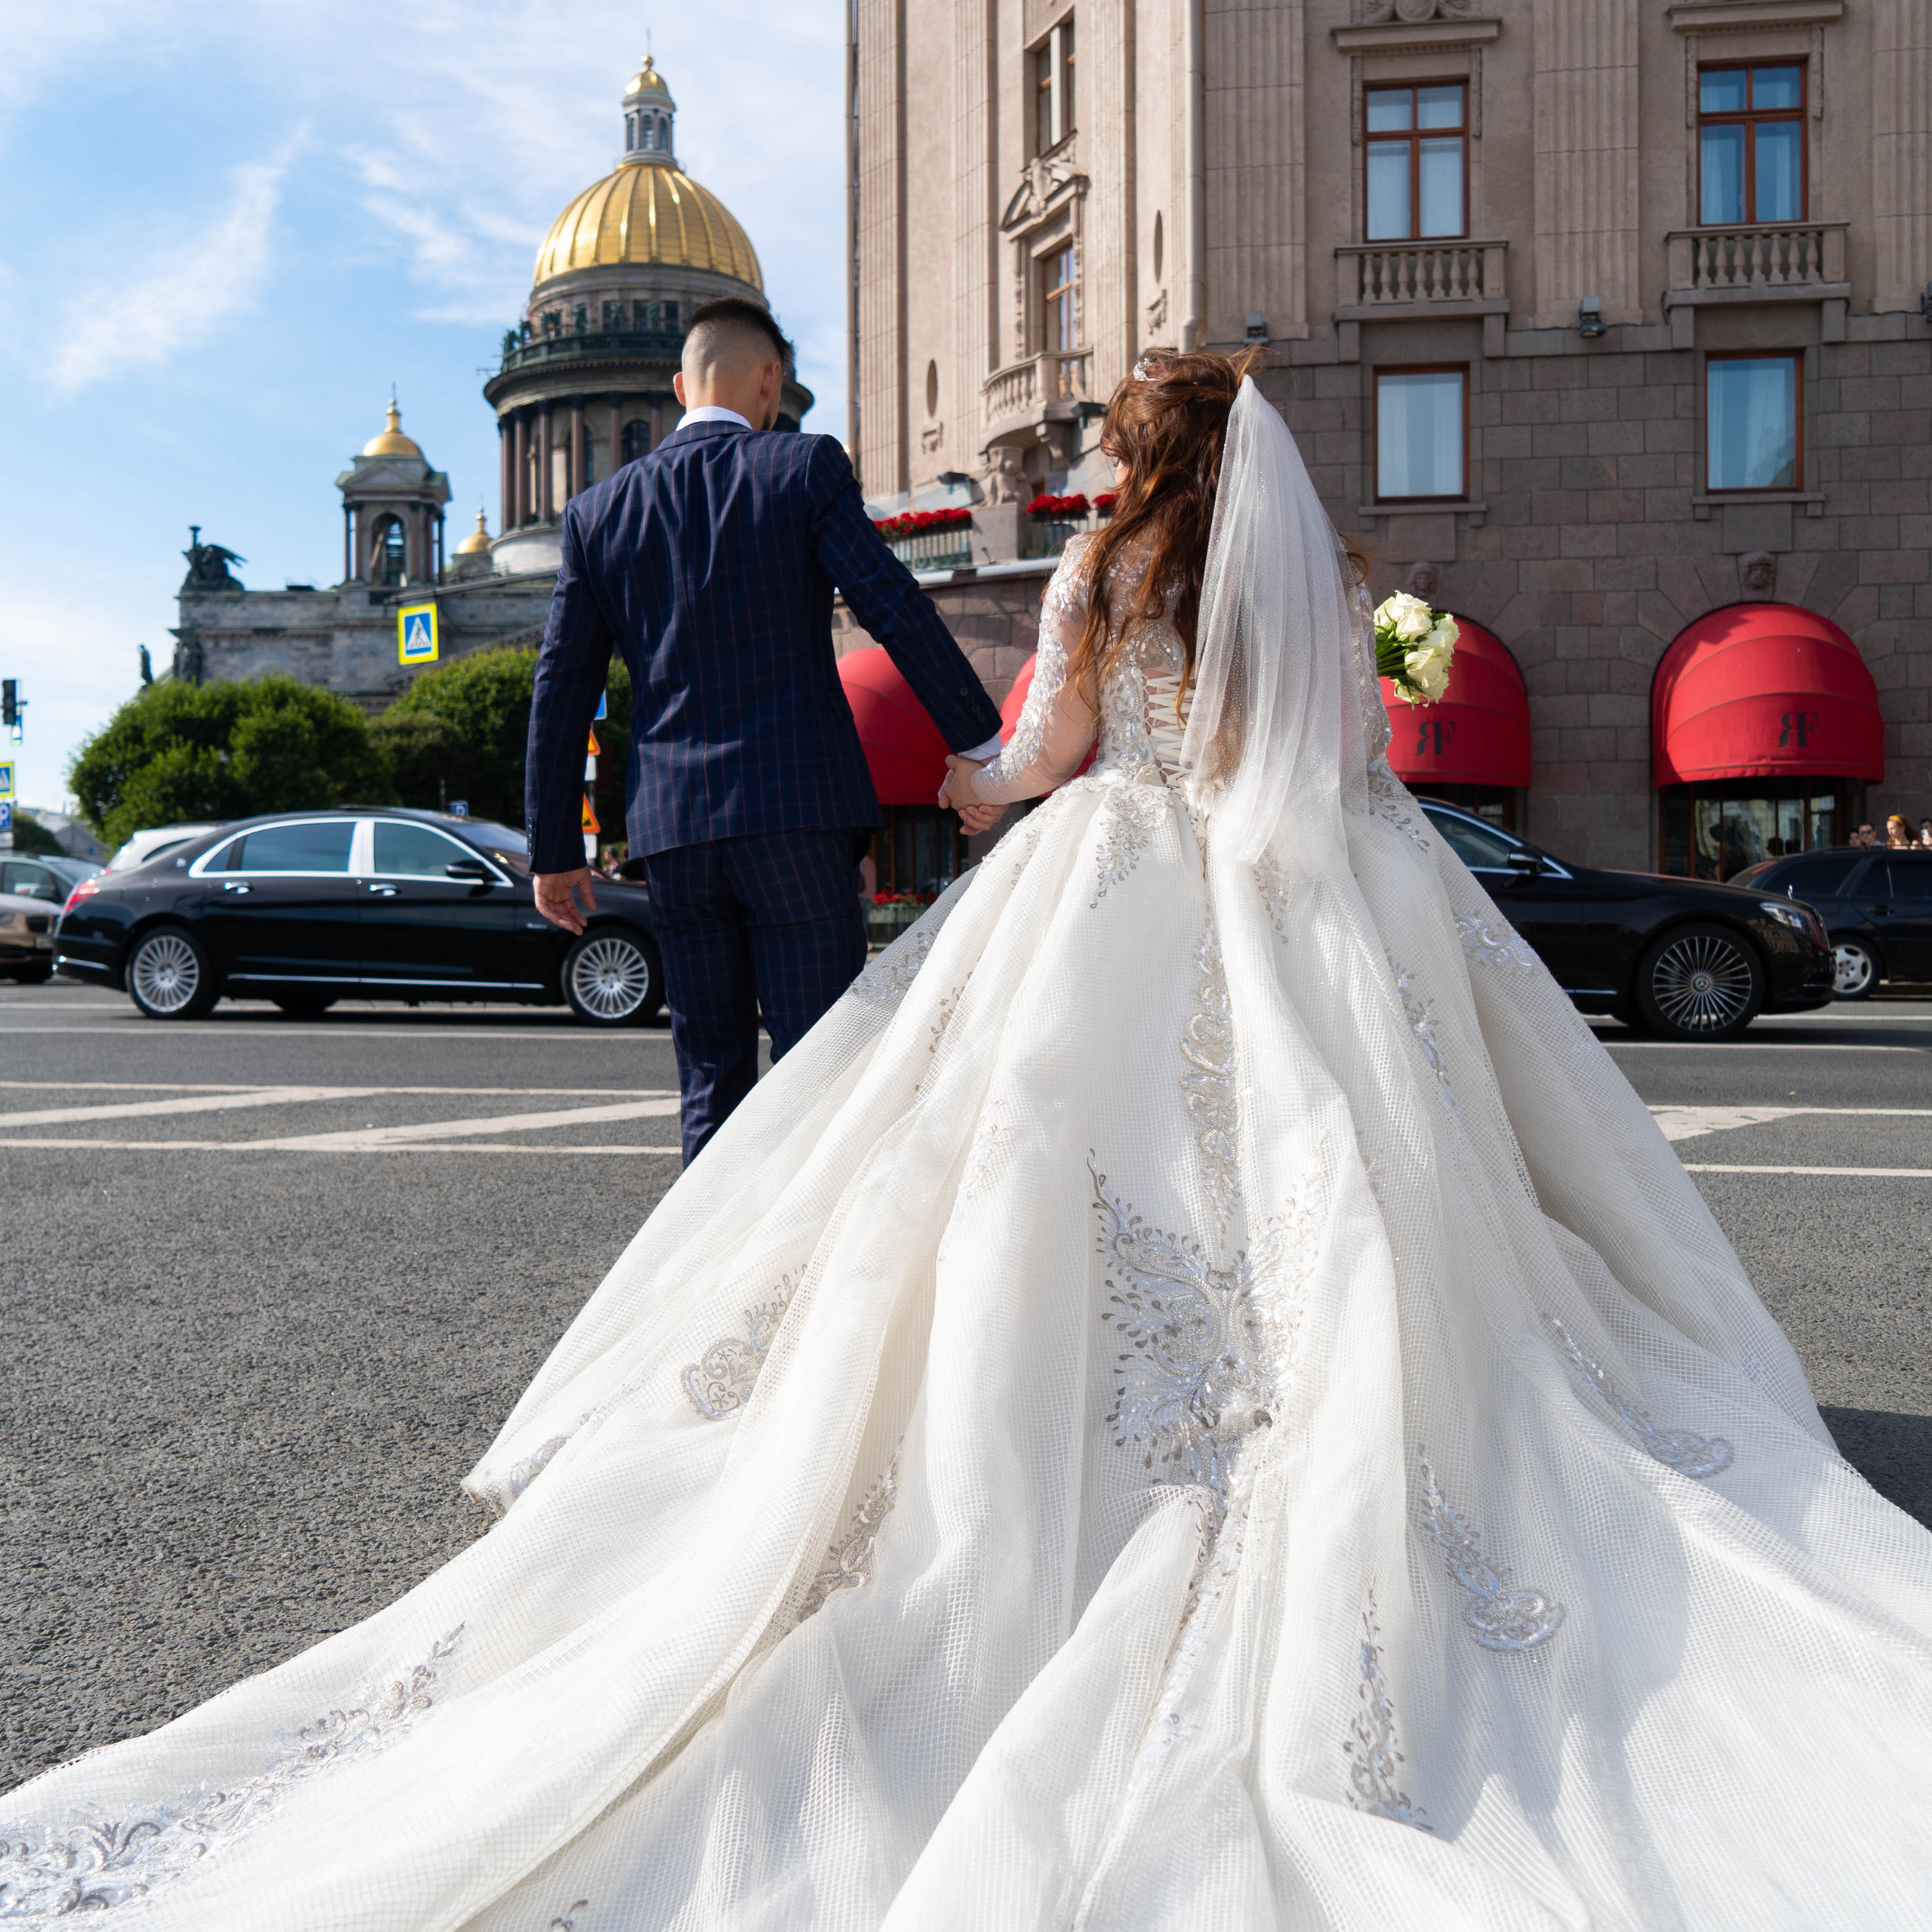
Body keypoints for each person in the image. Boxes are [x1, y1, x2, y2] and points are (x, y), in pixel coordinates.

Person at [9, 356, 1932, 1930]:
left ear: (1137, 457)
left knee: (954, 1143)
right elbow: (1344, 763)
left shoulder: (1100, 567)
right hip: (1323, 902)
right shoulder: (1317, 581)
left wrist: (971, 777)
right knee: (1357, 1163)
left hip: (1101, 881)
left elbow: (1037, 755)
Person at [522, 296, 1004, 1161]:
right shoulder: (801, 466)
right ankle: (812, 1251)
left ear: (680, 388)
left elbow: (563, 688)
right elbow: (891, 606)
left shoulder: (598, 513)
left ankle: (705, 1251)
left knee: (709, 1077)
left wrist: (554, 850)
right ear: (771, 381)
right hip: (795, 816)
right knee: (820, 1072)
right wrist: (981, 744)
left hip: (674, 833)